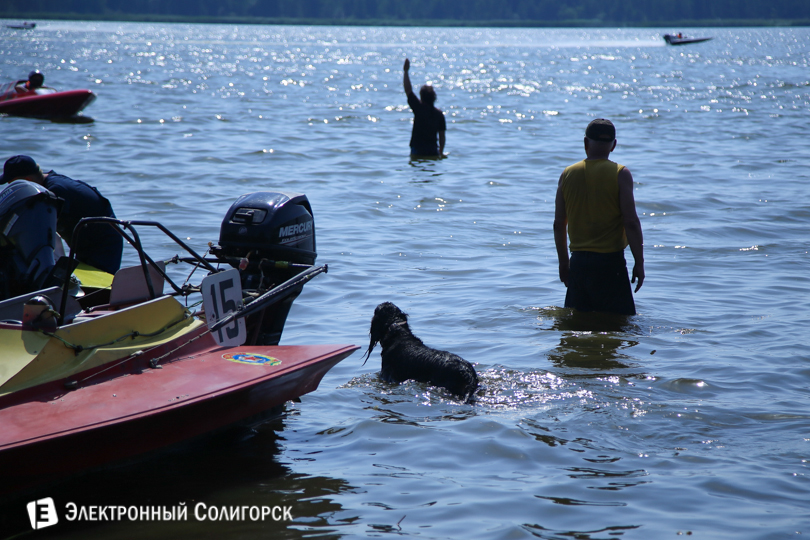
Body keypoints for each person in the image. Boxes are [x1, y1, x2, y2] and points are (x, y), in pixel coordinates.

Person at [552, 119, 644, 315]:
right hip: (610, 265)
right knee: (618, 326)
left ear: (586, 143)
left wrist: (563, 263)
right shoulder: (621, 174)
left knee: (576, 327)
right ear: (614, 145)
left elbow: (559, 225)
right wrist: (639, 262)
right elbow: (631, 222)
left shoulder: (567, 174)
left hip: (578, 264)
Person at [0, 155, 123, 275]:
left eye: (12, 183)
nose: (10, 187)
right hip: (85, 242)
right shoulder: (47, 183)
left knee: (98, 287)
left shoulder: (55, 191)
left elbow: (45, 228)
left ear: (28, 180)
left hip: (103, 244)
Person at [403, 58, 446, 158]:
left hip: (417, 150)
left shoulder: (418, 108)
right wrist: (441, 152)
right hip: (432, 151)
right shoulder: (439, 115)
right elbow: (442, 136)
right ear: (434, 97)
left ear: (421, 96)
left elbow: (408, 90)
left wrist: (405, 72)